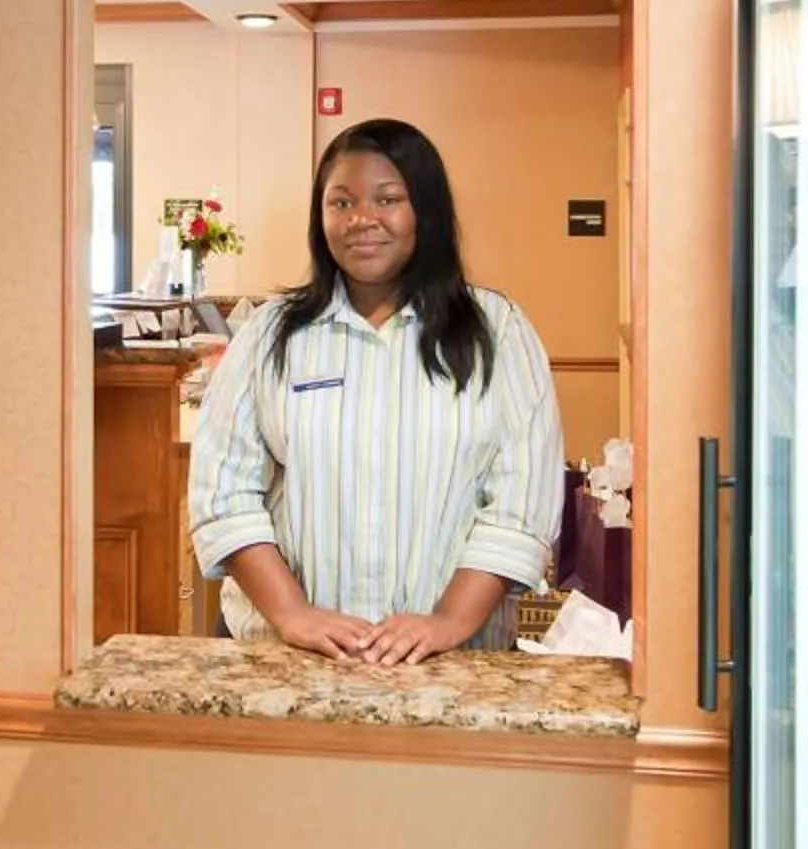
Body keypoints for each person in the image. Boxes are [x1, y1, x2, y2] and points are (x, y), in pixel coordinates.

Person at [189, 117, 564, 664]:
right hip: (284, 657)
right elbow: (222, 494)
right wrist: (293, 613)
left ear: (426, 213)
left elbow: (521, 503)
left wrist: (449, 621)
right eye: (340, 203)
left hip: (449, 661)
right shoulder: (271, 334)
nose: (362, 219)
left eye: (388, 199)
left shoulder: (497, 331)